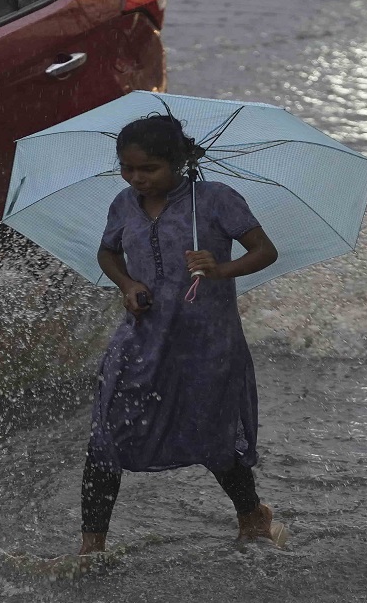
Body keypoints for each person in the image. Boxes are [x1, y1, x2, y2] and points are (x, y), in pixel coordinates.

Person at [80, 113, 285, 555]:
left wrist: (221, 268)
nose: (137, 178)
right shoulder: (122, 204)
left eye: (148, 169)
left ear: (177, 163)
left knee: (212, 433)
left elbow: (265, 250)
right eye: (128, 168)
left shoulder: (214, 200)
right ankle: (91, 548)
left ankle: (253, 517)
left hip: (206, 340)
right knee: (107, 434)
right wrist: (127, 284)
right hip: (142, 337)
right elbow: (107, 250)